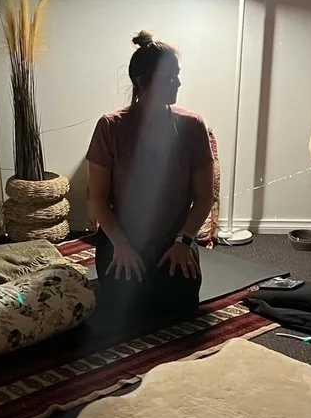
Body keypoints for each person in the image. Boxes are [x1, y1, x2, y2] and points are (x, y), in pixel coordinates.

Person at [86, 31, 215, 327]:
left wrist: (184, 241)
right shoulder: (110, 127)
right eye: (170, 77)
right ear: (142, 81)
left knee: (178, 307)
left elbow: (204, 197)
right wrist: (120, 244)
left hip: (174, 238)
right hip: (123, 237)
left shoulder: (192, 126)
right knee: (125, 309)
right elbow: (97, 199)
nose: (178, 83)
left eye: (178, 75)